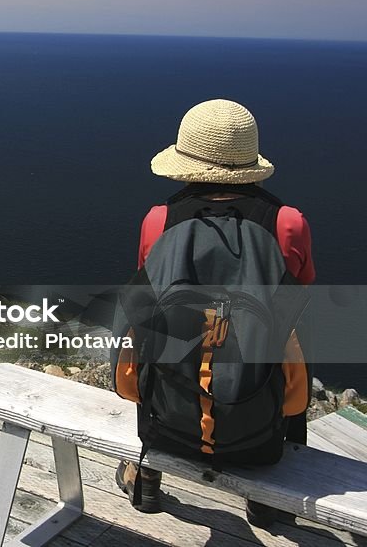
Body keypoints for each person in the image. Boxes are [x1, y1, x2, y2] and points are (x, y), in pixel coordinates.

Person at [112, 99, 315, 527]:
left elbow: (144, 307)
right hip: (259, 409)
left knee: (159, 340)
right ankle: (268, 500)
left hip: (169, 412)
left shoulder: (159, 220)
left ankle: (146, 476)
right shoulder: (288, 223)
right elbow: (298, 304)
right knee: (287, 343)